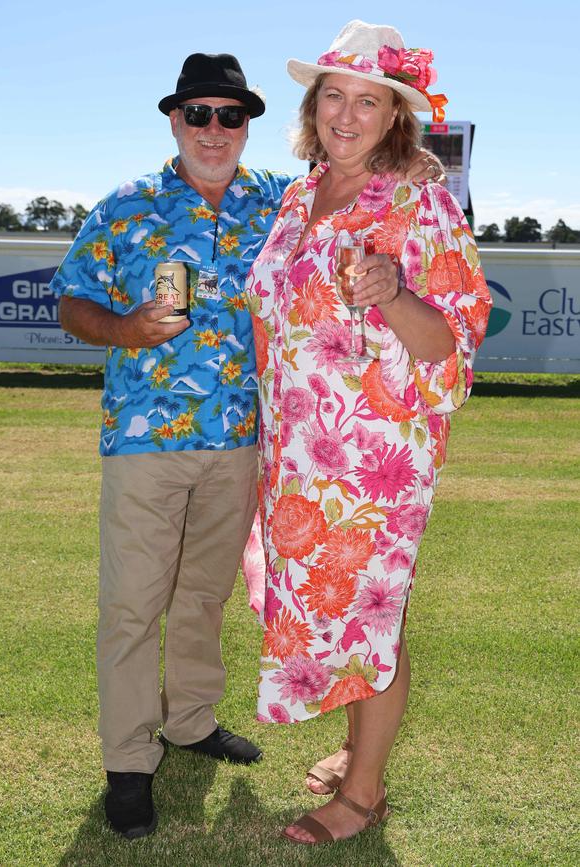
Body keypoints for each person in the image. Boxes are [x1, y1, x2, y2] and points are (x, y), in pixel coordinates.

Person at [50, 50, 443, 841]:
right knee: (132, 604)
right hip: (144, 438)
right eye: (198, 113)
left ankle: (191, 722)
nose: (214, 128)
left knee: (204, 596)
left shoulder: (281, 200)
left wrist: (416, 158)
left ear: (249, 126)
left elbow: (369, 189)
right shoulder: (126, 207)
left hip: (247, 443)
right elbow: (69, 301)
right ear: (174, 119)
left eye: (230, 115)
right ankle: (130, 762)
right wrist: (123, 328)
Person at [246, 20, 492, 846]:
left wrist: (390, 291)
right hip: (296, 454)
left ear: (396, 118)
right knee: (331, 613)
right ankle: (357, 751)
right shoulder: (294, 197)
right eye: (334, 97)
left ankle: (363, 793)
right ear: (314, 108)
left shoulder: (419, 203)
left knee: (370, 620)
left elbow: (453, 344)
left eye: (369, 102)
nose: (347, 116)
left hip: (372, 463)